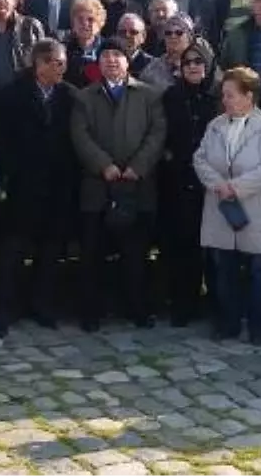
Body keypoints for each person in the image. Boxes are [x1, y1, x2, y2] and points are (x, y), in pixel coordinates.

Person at [70, 38, 167, 331]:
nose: (112, 60)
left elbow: (157, 133)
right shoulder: (85, 98)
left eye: (118, 55)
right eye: (106, 55)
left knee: (135, 255)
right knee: (92, 254)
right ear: (98, 63)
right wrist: (104, 166)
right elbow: (80, 135)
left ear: (128, 61)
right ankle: (92, 312)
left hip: (136, 186)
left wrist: (137, 167)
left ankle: (137, 308)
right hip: (98, 187)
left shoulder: (149, 96)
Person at [0, 39, 79, 337]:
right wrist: (12, 171)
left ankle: (42, 306)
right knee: (12, 251)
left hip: (57, 186)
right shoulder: (11, 95)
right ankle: (4, 309)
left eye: (63, 62)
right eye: (56, 62)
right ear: (39, 64)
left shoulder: (69, 96)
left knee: (50, 252)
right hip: (22, 185)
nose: (62, 68)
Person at [193, 66, 261, 345]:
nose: (226, 100)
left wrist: (236, 187)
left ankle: (258, 326)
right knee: (224, 270)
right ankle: (228, 322)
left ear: (249, 96)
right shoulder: (216, 125)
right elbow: (200, 158)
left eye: (231, 95)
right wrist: (218, 184)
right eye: (224, 95)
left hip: (255, 210)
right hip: (221, 208)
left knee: (258, 271)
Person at [159, 43, 219, 326]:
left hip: (212, 181)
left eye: (198, 62)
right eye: (187, 63)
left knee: (210, 245)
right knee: (179, 244)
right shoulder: (171, 96)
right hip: (177, 179)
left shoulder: (218, 98)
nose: (193, 66)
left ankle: (214, 302)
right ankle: (182, 303)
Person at [63, 0, 106, 88]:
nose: (85, 23)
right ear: (73, 23)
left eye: (90, 19)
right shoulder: (63, 48)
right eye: (80, 19)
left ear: (100, 23)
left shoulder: (107, 48)